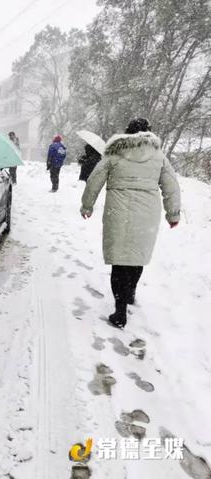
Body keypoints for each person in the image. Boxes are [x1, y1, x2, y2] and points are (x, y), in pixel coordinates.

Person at [81, 118, 181, 329]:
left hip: (117, 212)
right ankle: (130, 293)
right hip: (147, 214)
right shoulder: (159, 157)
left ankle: (120, 310)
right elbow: (171, 186)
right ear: (149, 133)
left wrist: (87, 206)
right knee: (136, 256)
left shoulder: (114, 153)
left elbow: (94, 180)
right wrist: (173, 214)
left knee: (119, 259)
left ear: (127, 133)